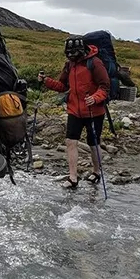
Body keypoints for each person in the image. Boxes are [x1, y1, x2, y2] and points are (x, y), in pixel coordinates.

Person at [38, 37, 110, 189]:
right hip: (74, 110)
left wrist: (95, 98)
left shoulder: (95, 63)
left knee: (93, 143)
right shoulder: (70, 65)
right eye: (69, 54)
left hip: (94, 111)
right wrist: (46, 81)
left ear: (82, 51)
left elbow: (105, 86)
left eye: (74, 54)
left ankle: (97, 172)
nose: (71, 57)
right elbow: (63, 86)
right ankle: (73, 177)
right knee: (71, 141)